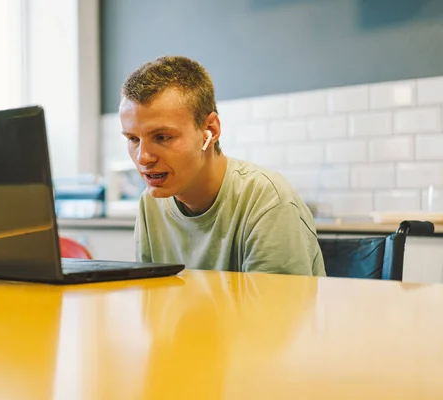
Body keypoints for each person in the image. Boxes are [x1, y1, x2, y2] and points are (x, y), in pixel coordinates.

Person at [118, 55, 325, 276]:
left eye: (162, 137)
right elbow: (154, 301)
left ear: (211, 130)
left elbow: (275, 309)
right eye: (133, 139)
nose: (143, 158)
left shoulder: (267, 200)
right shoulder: (151, 204)